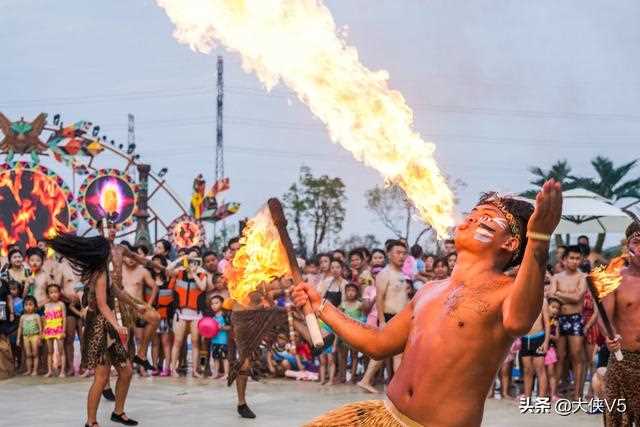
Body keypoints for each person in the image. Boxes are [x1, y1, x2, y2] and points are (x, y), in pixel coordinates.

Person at [293, 181, 562, 426]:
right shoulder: (429, 291)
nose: (469, 220)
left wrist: (538, 239)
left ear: (510, 243)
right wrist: (321, 306)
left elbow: (518, 321)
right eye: (472, 214)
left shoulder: (506, 293)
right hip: (386, 417)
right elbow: (377, 345)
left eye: (485, 222)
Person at [47, 231, 143, 427]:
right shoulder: (98, 273)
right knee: (102, 376)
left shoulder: (103, 270)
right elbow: (102, 304)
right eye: (109, 248)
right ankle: (91, 422)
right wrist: (117, 325)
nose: (112, 251)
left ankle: (118, 412)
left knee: (126, 371)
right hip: (99, 328)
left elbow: (115, 291)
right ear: (101, 252)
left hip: (107, 325)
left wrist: (135, 304)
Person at [600, 221, 640, 426]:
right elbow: (603, 317)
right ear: (628, 246)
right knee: (616, 421)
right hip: (621, 360)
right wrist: (610, 336)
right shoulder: (614, 278)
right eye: (637, 241)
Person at [548, 245, 587, 398]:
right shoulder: (557, 277)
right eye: (571, 258)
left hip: (576, 318)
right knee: (560, 356)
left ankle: (577, 394)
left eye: (578, 258)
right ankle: (554, 393)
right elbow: (551, 295)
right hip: (559, 319)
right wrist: (564, 295)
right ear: (564, 259)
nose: (575, 261)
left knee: (576, 356)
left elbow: (578, 298)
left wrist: (559, 294)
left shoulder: (583, 277)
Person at [119, 242, 160, 373]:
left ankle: (141, 353)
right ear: (123, 257)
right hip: (122, 305)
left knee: (155, 318)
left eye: (133, 257)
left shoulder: (143, 271)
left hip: (138, 306)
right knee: (127, 338)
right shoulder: (117, 269)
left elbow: (155, 286)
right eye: (127, 257)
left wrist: (149, 304)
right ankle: (126, 366)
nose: (130, 259)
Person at [169, 251, 207, 378]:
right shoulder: (179, 272)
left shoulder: (202, 274)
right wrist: (180, 259)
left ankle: (195, 370)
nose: (192, 263)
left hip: (196, 314)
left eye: (195, 260)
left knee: (196, 342)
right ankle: (173, 369)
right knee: (178, 341)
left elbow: (202, 287)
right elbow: (168, 270)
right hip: (181, 313)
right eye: (190, 260)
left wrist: (194, 274)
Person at [520, 298, 550, 399]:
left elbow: (547, 323)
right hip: (525, 338)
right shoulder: (522, 299)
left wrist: (546, 342)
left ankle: (541, 398)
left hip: (538, 338)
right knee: (527, 370)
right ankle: (527, 397)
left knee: (540, 369)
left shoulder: (543, 301)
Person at [340, 282, 365, 383]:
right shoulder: (343, 304)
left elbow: (363, 318)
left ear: (357, 292)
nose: (350, 293)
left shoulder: (359, 305)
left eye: (353, 291)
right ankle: (343, 376)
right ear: (345, 293)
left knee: (354, 355)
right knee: (343, 356)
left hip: (355, 334)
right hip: (344, 334)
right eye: (348, 291)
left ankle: (353, 377)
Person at [42, 283, 66, 378]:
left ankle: (62, 371)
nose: (54, 294)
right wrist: (44, 331)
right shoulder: (46, 305)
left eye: (56, 292)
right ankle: (49, 371)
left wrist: (64, 331)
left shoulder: (61, 304)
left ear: (59, 293)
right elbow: (44, 319)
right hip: (48, 330)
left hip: (59, 329)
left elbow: (64, 318)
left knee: (61, 351)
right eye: (51, 292)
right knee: (49, 352)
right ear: (48, 294)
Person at [17, 295, 42, 376]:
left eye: (30, 304)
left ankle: (35, 370)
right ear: (23, 306)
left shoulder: (36, 316)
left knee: (35, 354)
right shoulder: (23, 317)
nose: (28, 307)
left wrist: (40, 338)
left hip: (35, 336)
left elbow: (40, 328)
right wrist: (18, 339)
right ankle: (29, 370)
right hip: (25, 337)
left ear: (35, 306)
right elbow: (20, 328)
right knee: (28, 354)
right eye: (26, 305)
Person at [209, 295, 230, 379]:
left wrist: (222, 327)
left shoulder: (225, 315)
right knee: (215, 358)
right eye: (212, 304)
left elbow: (230, 327)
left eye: (216, 303)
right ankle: (216, 373)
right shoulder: (212, 316)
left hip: (223, 341)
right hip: (214, 341)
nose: (214, 305)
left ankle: (226, 374)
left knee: (225, 358)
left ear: (222, 303)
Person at [545, 297, 562, 400]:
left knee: (551, 373)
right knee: (542, 373)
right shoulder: (543, 319)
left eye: (557, 308)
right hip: (541, 349)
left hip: (551, 350)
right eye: (553, 307)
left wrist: (549, 336)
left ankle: (553, 394)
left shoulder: (555, 321)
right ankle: (544, 393)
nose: (555, 310)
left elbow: (557, 337)